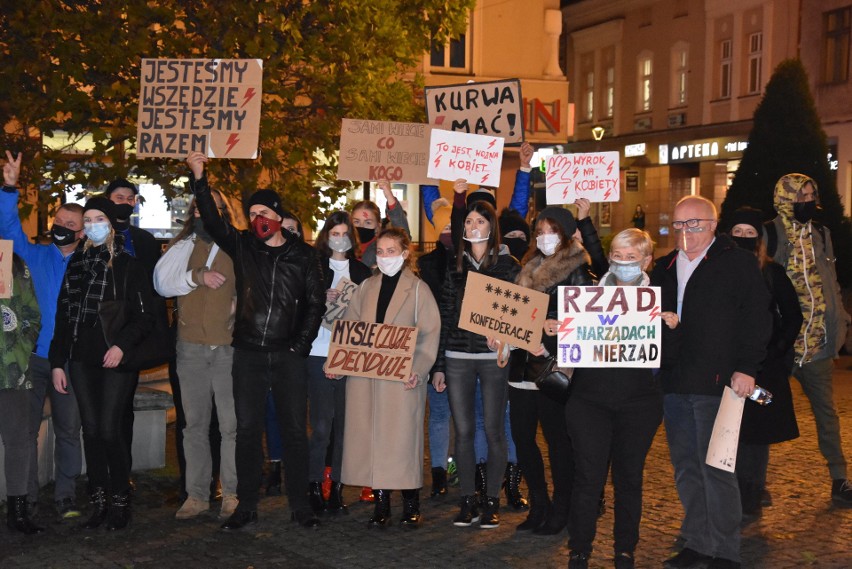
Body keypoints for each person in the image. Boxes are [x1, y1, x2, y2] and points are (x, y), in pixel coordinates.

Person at [185, 152, 325, 530]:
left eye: (265, 211)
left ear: (279, 217)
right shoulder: (244, 246)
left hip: (288, 356)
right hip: (247, 353)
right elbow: (213, 222)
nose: (258, 218)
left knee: (295, 431)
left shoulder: (304, 256)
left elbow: (315, 304)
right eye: (253, 212)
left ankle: (300, 505)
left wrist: (299, 346)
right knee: (247, 431)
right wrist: (200, 178)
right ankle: (247, 505)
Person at [652, 195, 770, 569]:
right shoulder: (663, 267)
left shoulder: (737, 263)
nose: (686, 232)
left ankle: (725, 549)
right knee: (686, 466)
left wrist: (747, 367)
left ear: (713, 225)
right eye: (679, 225)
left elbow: (757, 318)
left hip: (718, 383)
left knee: (717, 468)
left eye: (695, 224)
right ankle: (698, 542)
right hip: (674, 381)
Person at [49, 196, 156, 531]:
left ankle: (121, 500)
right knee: (91, 431)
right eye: (89, 220)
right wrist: (56, 362)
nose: (94, 224)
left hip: (115, 359)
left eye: (100, 219)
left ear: (111, 224)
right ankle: (98, 501)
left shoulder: (128, 265)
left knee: (110, 430)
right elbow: (65, 317)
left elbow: (145, 318)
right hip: (82, 358)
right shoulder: (76, 265)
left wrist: (122, 347)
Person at [564, 229, 664, 569]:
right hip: (589, 400)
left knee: (629, 478)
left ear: (647, 261)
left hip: (639, 403)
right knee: (588, 478)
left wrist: (669, 324)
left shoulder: (659, 300)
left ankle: (625, 550)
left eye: (630, 258)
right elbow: (568, 351)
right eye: (617, 257)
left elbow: (672, 353)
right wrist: (555, 330)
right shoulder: (586, 297)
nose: (622, 264)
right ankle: (579, 549)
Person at [335, 227, 441, 529]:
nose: (384, 257)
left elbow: (429, 334)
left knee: (402, 442)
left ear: (405, 254)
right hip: (366, 379)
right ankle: (381, 503)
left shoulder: (419, 289)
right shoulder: (365, 287)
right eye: (380, 252)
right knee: (372, 441)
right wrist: (340, 362)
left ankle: (410, 502)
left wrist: (418, 370)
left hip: (401, 379)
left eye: (391, 251)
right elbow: (351, 329)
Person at [1, 151, 84, 519]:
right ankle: (28, 499)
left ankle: (66, 496)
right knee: (26, 432)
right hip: (33, 359)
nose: (62, 226)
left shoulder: (90, 264)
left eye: (70, 223)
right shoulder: (33, 256)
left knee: (69, 429)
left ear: (82, 232)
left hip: (70, 360)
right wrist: (9, 188)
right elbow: (7, 231)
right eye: (59, 220)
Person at [431, 200, 521, 530]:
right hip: (457, 357)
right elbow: (444, 316)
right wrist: (439, 365)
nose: (472, 226)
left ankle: (492, 502)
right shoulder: (455, 266)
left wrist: (506, 338)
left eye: (479, 221)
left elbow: (519, 312)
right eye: (467, 221)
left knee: (494, 429)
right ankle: (467, 500)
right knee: (464, 430)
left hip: (492, 357)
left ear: (491, 226)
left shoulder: (508, 265)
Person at [765, 173, 852, 507]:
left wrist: (841, 319)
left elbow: (831, 281)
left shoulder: (822, 234)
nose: (809, 202)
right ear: (786, 198)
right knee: (762, 408)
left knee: (827, 414)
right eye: (801, 196)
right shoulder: (769, 232)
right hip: (780, 345)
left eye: (812, 194)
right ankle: (752, 482)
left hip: (817, 344)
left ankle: (840, 479)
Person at [153, 191, 239, 521]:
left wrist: (239, 309)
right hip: (189, 349)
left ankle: (231, 493)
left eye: (214, 208)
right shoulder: (182, 245)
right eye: (201, 208)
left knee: (231, 427)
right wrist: (196, 277)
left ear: (223, 212)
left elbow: (255, 287)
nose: (207, 213)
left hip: (227, 349)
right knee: (194, 426)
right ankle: (197, 495)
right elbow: (162, 282)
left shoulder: (236, 245)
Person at [511, 206, 594, 537]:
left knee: (558, 442)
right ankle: (539, 504)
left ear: (566, 233)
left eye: (552, 231)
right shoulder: (527, 267)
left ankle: (562, 509)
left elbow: (585, 319)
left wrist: (552, 334)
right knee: (523, 439)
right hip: (521, 367)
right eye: (540, 231)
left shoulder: (578, 267)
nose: (545, 237)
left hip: (554, 367)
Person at [727, 207, 802, 520]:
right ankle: (729, 495)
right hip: (726, 364)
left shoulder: (772, 272)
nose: (744, 238)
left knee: (756, 437)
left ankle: (752, 496)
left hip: (763, 366)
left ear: (759, 237)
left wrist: (777, 348)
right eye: (738, 232)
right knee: (728, 433)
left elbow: (793, 316)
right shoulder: (718, 270)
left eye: (750, 233)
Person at [307, 210, 371, 515]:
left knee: (345, 427)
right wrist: (321, 296)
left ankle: (338, 488)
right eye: (335, 233)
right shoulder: (314, 267)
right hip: (318, 352)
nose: (340, 238)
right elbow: (299, 299)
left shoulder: (362, 272)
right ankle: (315, 486)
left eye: (345, 233)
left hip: (350, 356)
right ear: (326, 235)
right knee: (321, 425)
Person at [1, 252, 43, 534]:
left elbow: (31, 315)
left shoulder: (13, 264)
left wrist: (20, 349)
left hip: (11, 370)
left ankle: (17, 513)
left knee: (17, 442)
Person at [417, 198, 454, 498]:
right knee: (440, 414)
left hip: (467, 349)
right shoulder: (427, 265)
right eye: (445, 227)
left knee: (471, 417)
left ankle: (463, 469)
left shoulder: (474, 262)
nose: (450, 232)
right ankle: (439, 472)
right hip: (436, 349)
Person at [351, 181, 410, 269]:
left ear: (378, 226)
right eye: (356, 222)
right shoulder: (344, 246)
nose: (361, 226)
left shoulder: (381, 247)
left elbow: (403, 233)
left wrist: (389, 195)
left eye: (368, 222)